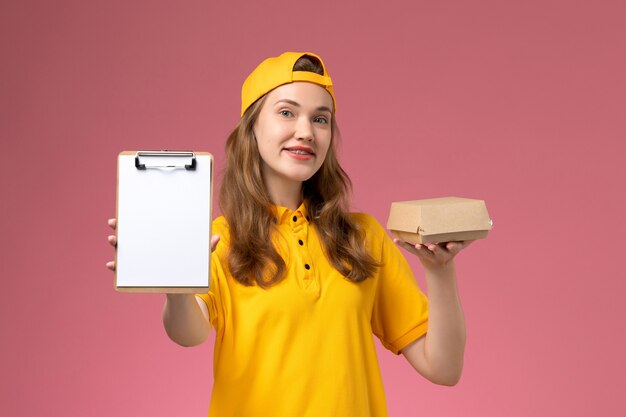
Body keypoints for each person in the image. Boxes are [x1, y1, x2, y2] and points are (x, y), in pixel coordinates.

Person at [107, 51, 472, 417]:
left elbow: (443, 368)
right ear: (251, 126)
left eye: (320, 119)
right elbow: (188, 333)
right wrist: (178, 284)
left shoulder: (363, 238)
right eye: (286, 112)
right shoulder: (221, 240)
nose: (306, 132)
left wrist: (440, 270)